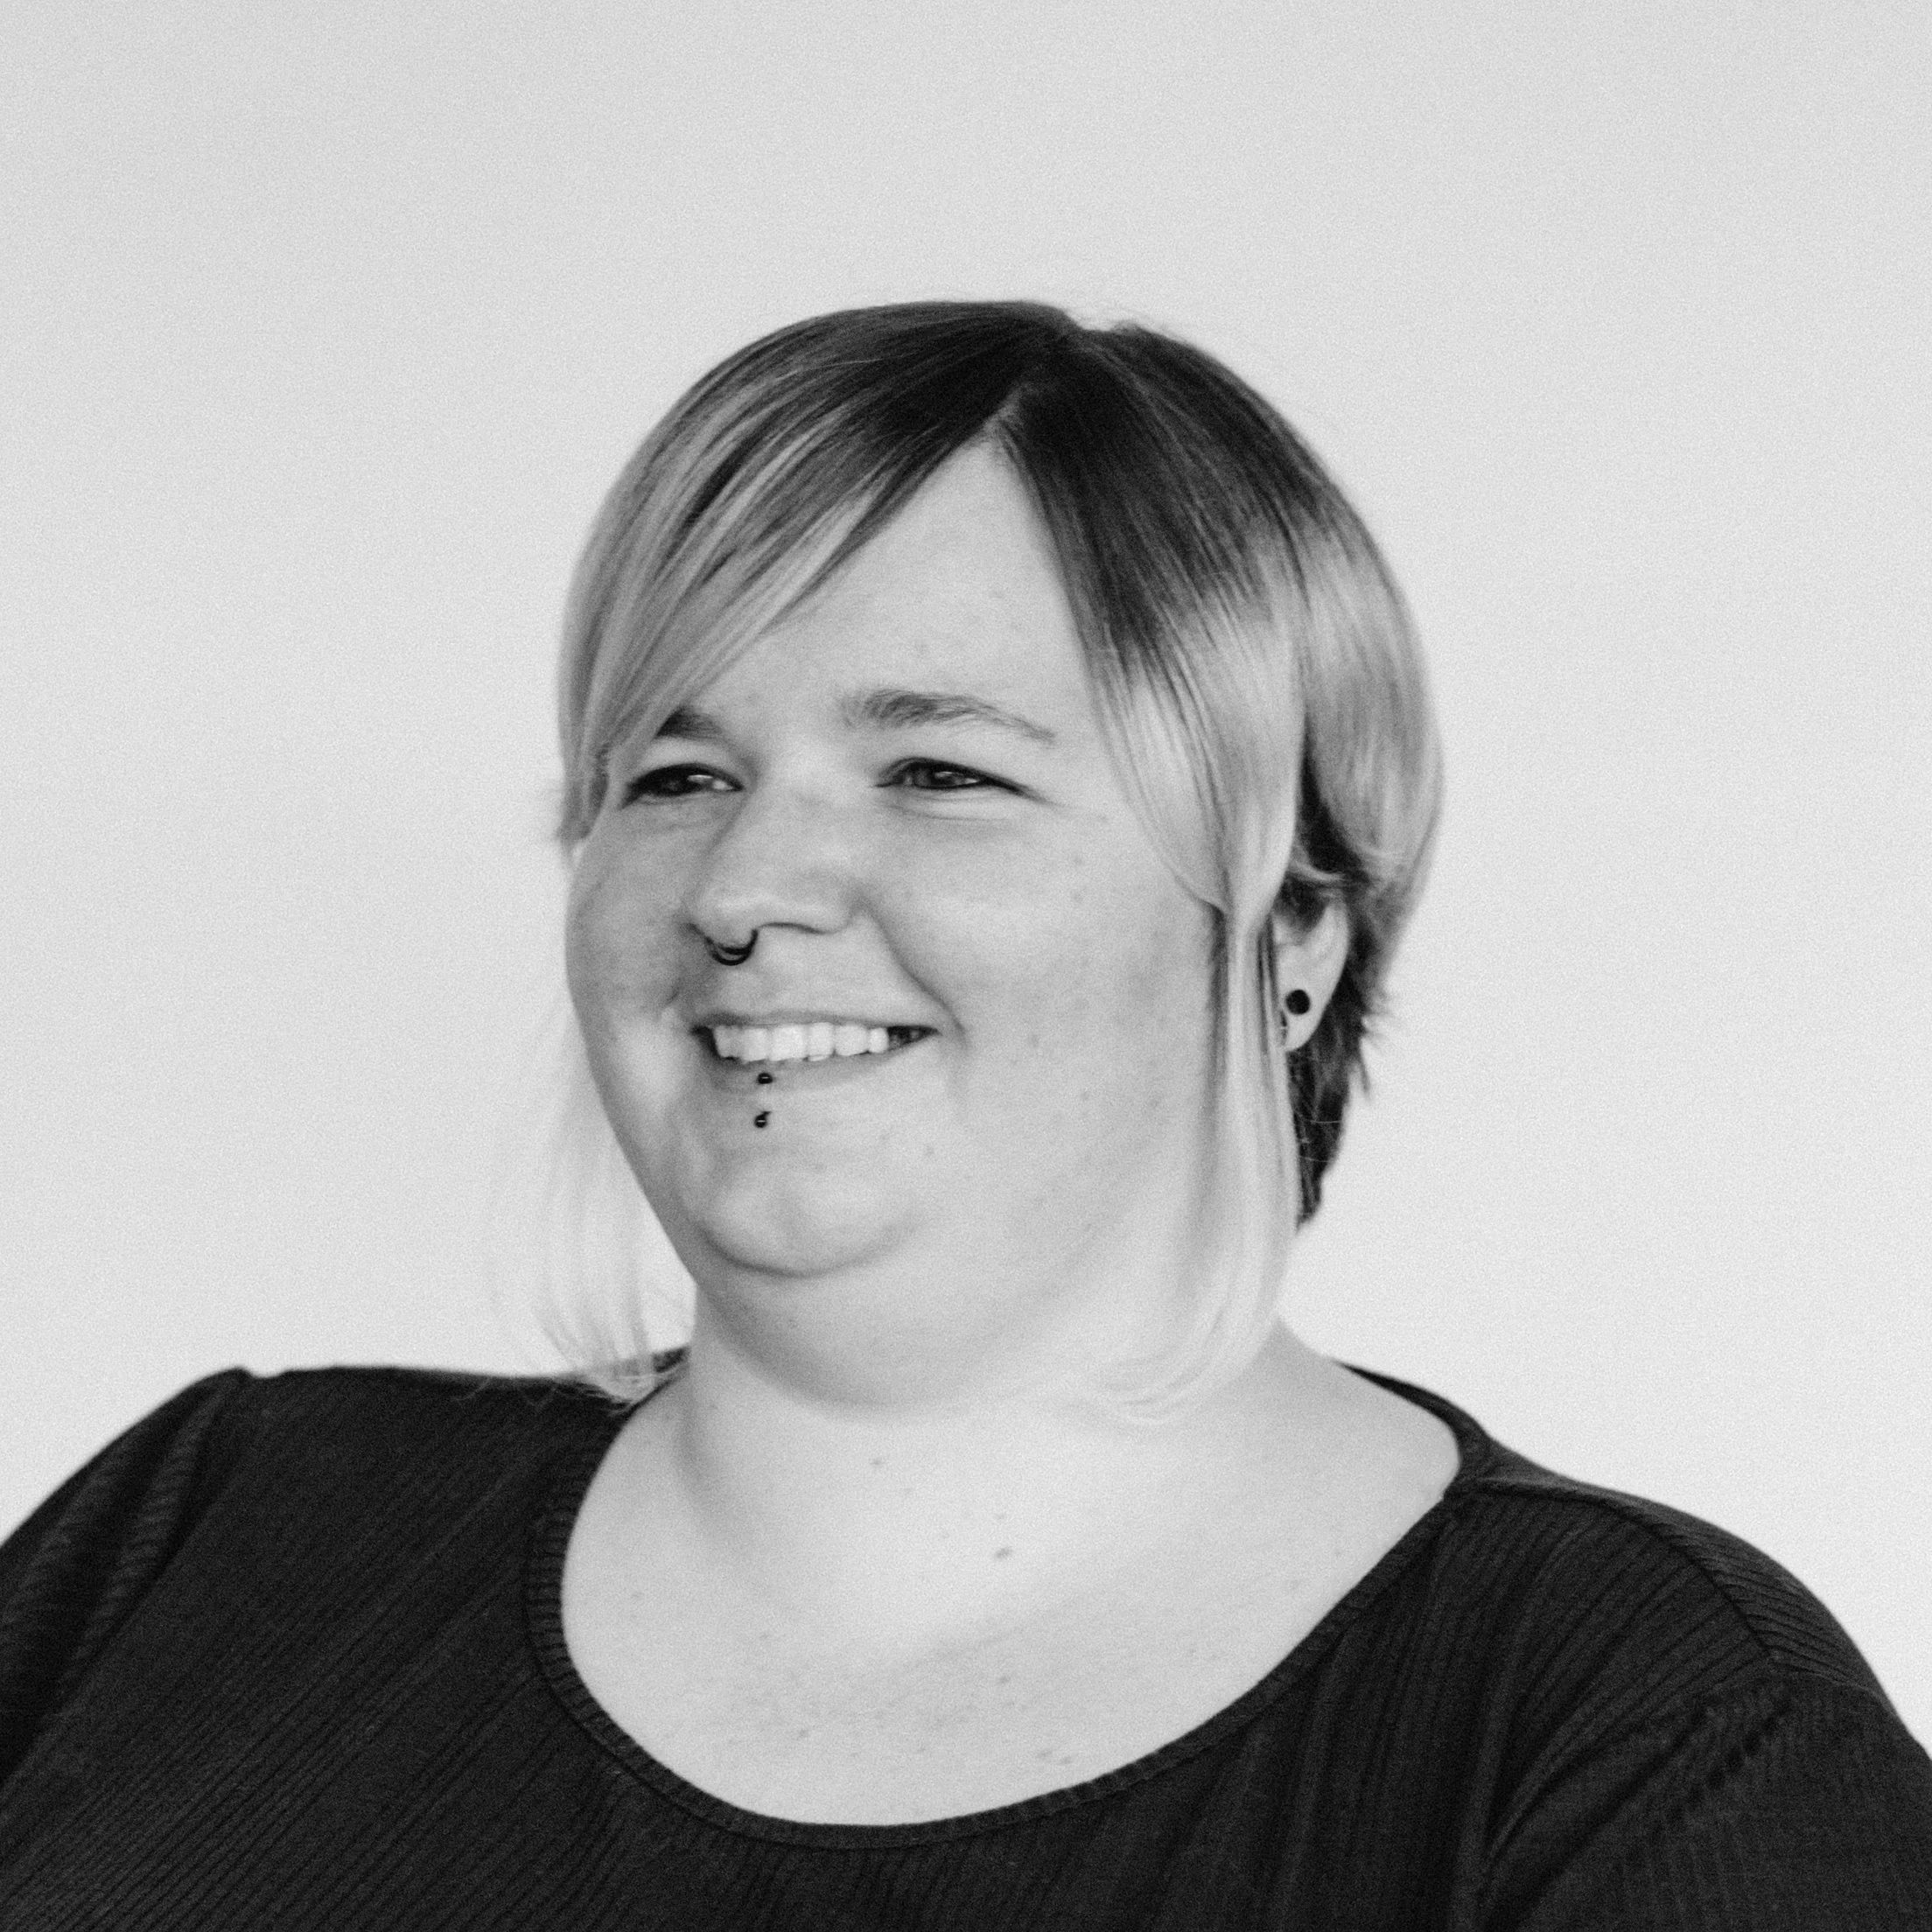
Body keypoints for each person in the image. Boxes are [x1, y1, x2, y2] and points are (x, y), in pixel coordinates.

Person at [1, 302, 1926, 1929]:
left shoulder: (1643, 1739)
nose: (749, 883)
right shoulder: (215, 1536)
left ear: (1297, 930)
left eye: (936, 769)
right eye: (673, 772)